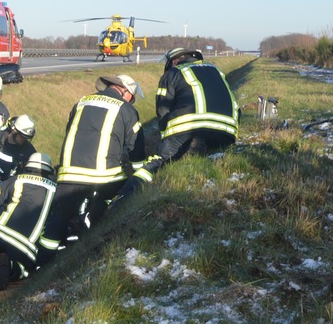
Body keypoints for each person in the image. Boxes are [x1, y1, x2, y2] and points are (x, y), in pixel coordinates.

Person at [47, 74, 151, 240]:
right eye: (132, 96)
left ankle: (46, 258)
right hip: (103, 175)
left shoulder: (81, 102)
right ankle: (87, 220)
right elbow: (135, 146)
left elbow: (70, 131)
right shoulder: (126, 109)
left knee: (58, 218)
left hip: (68, 173)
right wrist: (138, 173)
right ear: (124, 90)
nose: (131, 101)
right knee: (124, 192)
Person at [0, 152, 59, 290]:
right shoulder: (55, 189)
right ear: (49, 170)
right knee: (25, 269)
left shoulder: (17, 179)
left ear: (27, 166)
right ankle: (11, 266)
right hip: (29, 243)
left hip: (3, 227)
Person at [148, 47, 240, 175]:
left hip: (188, 128)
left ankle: (138, 189)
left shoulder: (172, 73)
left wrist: (165, 137)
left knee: (162, 162)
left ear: (174, 61)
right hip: (226, 131)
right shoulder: (216, 70)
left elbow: (163, 109)